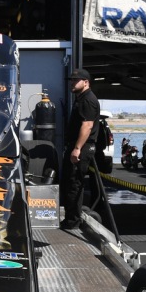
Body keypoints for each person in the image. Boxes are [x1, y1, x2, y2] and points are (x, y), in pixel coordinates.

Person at [60, 68, 100, 230]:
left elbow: (87, 125)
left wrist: (77, 148)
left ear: (86, 82)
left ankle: (73, 221)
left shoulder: (87, 100)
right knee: (71, 182)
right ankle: (71, 217)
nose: (72, 83)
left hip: (82, 148)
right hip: (78, 147)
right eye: (71, 80)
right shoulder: (81, 98)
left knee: (74, 183)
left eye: (76, 80)